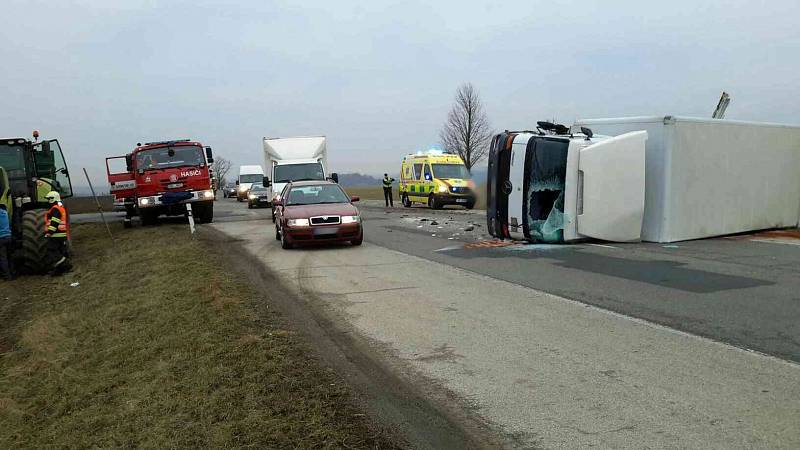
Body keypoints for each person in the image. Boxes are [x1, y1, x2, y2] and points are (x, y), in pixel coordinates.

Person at [44, 191, 72, 276]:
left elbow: (55, 221)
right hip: (61, 234)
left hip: (55, 235)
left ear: (53, 199)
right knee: (61, 250)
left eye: (49, 199)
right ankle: (61, 269)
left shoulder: (55, 209)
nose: (48, 201)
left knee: (52, 251)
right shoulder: (60, 208)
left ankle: (64, 263)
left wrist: (49, 232)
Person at [0, 204, 14, 280]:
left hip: (1, 237)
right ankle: (13, 273)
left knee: (3, 258)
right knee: (9, 256)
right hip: (8, 236)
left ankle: (7, 276)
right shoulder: (4, 212)